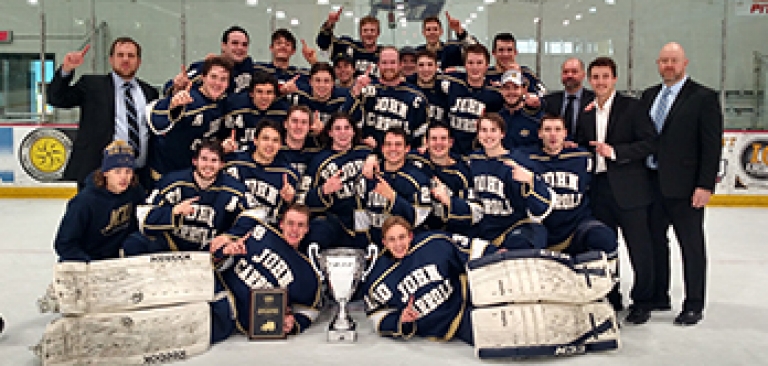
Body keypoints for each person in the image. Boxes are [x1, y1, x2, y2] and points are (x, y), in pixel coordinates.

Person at [641, 42, 723, 326]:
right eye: (664, 60)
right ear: (658, 63)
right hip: (651, 183)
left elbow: (711, 146)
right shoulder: (649, 96)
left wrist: (705, 184)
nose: (669, 65)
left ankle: (693, 303)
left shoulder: (703, 98)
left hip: (687, 188)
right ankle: (659, 295)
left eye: (674, 60)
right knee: (654, 242)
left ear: (685, 62)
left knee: (690, 246)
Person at [575, 56, 657, 322]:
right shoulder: (587, 114)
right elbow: (580, 146)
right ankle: (611, 295)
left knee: (639, 248)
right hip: (599, 190)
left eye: (605, 77)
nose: (600, 82)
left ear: (614, 79)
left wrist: (616, 152)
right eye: (595, 77)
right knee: (606, 248)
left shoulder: (631, 108)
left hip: (631, 189)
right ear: (589, 80)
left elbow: (649, 142)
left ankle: (643, 301)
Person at [47, 37, 159, 190]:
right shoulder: (92, 85)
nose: (125, 59)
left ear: (139, 61)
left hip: (138, 175)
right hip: (99, 173)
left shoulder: (149, 92)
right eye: (120, 55)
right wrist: (66, 70)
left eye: (131, 56)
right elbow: (56, 98)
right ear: (111, 60)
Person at [122, 139, 250, 256]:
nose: (208, 165)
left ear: (222, 164)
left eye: (214, 160)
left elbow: (257, 213)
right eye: (204, 159)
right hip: (170, 246)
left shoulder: (233, 188)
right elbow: (143, 215)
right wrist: (173, 212)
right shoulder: (172, 181)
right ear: (195, 161)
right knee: (134, 243)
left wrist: (229, 236)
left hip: (208, 251)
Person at [212, 204, 322, 336]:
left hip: (231, 318)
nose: (294, 229)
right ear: (281, 224)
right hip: (214, 288)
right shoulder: (258, 230)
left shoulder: (307, 274)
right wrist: (226, 251)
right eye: (290, 223)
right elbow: (215, 258)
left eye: (300, 225)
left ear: (307, 229)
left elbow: (311, 310)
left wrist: (294, 323)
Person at [362, 216, 473, 345]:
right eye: (391, 240)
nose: (398, 244)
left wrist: (495, 253)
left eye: (402, 237)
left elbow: (471, 249)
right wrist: (399, 319)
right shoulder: (376, 278)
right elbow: (376, 315)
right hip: (440, 328)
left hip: (464, 303)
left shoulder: (434, 242)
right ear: (384, 243)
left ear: (410, 236)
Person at [529, 115, 618, 259]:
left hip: (577, 225)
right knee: (522, 243)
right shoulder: (526, 159)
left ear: (565, 133)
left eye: (558, 129)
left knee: (603, 237)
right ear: (540, 133)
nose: (553, 134)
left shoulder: (582, 157)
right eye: (547, 129)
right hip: (542, 227)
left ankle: (602, 278)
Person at [467, 113, 553, 253]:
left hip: (515, 226)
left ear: (502, 134)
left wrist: (530, 180)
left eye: (493, 130)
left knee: (533, 236)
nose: (488, 135)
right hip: (485, 228)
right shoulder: (473, 160)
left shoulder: (520, 161)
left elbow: (544, 206)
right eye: (484, 130)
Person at [53, 140, 145, 262]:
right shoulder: (84, 202)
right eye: (117, 171)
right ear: (106, 172)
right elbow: (64, 244)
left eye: (128, 171)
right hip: (86, 262)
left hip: (117, 260)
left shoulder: (135, 191)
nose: (124, 177)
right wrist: (89, 264)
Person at [147, 56, 231, 182]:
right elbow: (154, 119)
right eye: (213, 77)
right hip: (168, 176)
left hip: (194, 176)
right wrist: (172, 104)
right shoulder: (188, 100)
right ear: (203, 77)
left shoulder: (222, 103)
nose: (218, 83)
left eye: (223, 79)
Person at [302, 113, 374, 251]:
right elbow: (303, 199)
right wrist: (323, 191)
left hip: (369, 219)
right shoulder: (319, 161)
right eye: (338, 128)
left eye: (347, 128)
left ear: (353, 131)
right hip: (337, 222)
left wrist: (374, 156)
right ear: (330, 132)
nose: (343, 133)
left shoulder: (365, 152)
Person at [358, 128, 432, 245]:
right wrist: (365, 243)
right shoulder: (368, 175)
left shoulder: (419, 179)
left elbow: (419, 219)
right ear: (382, 148)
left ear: (407, 149)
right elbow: (360, 214)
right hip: (374, 244)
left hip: (404, 246)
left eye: (398, 145)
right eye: (388, 144)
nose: (393, 149)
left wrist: (393, 198)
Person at [347, 46, 428, 149]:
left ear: (400, 65)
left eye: (392, 62)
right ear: (378, 65)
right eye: (384, 63)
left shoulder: (416, 97)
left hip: (401, 158)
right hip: (367, 154)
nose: (388, 67)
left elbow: (420, 139)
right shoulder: (366, 90)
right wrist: (356, 91)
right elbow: (346, 121)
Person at [224, 119, 299, 225]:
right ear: (255, 140)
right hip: (230, 225)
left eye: (275, 140)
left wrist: (291, 201)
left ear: (281, 145)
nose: (270, 144)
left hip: (266, 232)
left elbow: (292, 214)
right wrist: (222, 151)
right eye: (265, 138)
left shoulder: (289, 174)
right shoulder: (234, 161)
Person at [408, 122, 479, 234]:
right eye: (434, 139)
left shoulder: (463, 173)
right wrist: (372, 157)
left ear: (451, 142)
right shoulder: (414, 158)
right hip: (415, 230)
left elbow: (476, 213)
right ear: (426, 142)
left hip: (447, 234)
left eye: (443, 138)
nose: (438, 143)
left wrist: (449, 201)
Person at [441, 44, 504, 156]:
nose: (475, 67)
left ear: (487, 66)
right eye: (470, 63)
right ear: (465, 65)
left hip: (479, 154)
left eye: (479, 63)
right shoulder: (452, 83)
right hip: (451, 153)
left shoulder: (495, 94)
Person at [163, 26, 254, 96]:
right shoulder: (206, 67)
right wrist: (176, 88)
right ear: (223, 45)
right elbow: (169, 87)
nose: (240, 48)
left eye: (244, 45)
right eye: (235, 43)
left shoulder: (252, 68)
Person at [223, 71, 290, 152]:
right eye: (259, 92)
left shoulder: (283, 113)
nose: (264, 97)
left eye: (269, 92)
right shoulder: (236, 108)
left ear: (275, 95)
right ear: (251, 93)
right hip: (240, 157)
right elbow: (223, 136)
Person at [285, 62, 352, 130]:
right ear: (310, 82)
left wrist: (323, 130)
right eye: (317, 80)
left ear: (333, 83)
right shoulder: (299, 92)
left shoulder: (344, 97)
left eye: (326, 81)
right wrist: (283, 91)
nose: (322, 85)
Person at [316, 9, 381, 76]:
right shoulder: (347, 45)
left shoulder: (384, 53)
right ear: (360, 33)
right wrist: (329, 23)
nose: (369, 34)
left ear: (378, 33)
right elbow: (322, 43)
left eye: (372, 30)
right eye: (365, 30)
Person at [543, 58, 595, 139]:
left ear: (583, 75)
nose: (569, 75)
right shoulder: (548, 101)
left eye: (574, 72)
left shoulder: (595, 100)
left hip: (585, 149)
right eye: (565, 72)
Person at [486, 33, 545, 99]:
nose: (505, 54)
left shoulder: (526, 73)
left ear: (515, 52)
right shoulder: (486, 75)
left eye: (509, 50)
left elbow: (543, 94)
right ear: (494, 53)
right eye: (501, 50)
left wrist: (520, 77)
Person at [498, 70, 543, 150]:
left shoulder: (537, 119)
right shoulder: (496, 120)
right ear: (501, 90)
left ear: (524, 90)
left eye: (516, 88)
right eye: (507, 88)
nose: (511, 92)